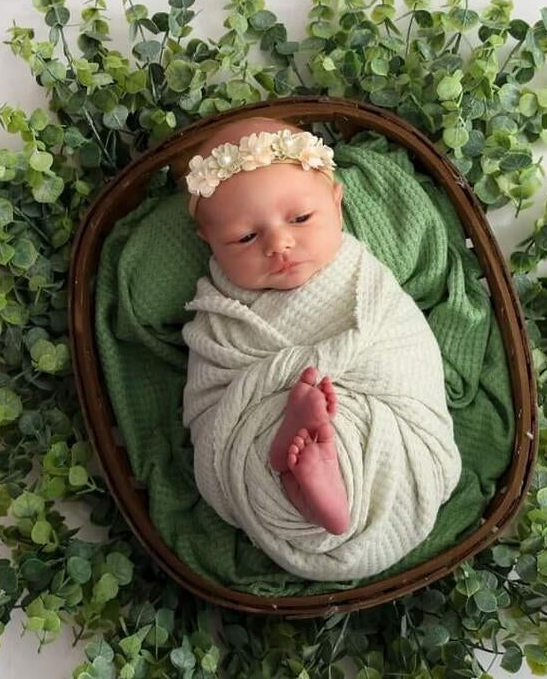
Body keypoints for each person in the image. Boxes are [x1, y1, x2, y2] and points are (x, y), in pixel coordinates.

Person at [180, 117, 461, 577]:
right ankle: (303, 473)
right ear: (208, 241)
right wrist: (268, 395)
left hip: (368, 399)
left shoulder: (359, 277)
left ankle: (319, 472)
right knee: (236, 446)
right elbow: (210, 396)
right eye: (246, 238)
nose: (279, 243)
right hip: (262, 420)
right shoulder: (220, 310)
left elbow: (402, 348)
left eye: (301, 218)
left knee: (369, 424)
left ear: (336, 201)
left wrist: (316, 372)